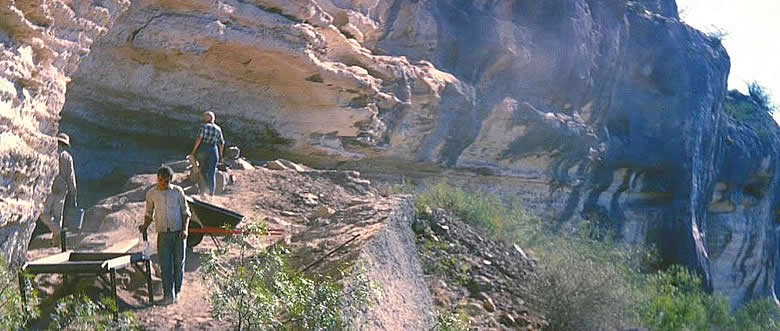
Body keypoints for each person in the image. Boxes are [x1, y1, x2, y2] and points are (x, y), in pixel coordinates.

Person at [138, 166, 191, 305]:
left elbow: (186, 213)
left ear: (170, 180)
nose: (163, 183)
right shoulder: (152, 194)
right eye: (160, 180)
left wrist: (185, 230)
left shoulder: (177, 192)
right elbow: (149, 213)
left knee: (178, 264)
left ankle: (177, 292)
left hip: (178, 233)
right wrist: (145, 225)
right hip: (163, 234)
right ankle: (168, 295)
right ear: (157, 178)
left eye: (166, 181)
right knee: (165, 265)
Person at [39, 133, 77, 248]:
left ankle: (58, 233)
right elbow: (71, 177)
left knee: (43, 213)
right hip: (62, 191)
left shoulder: (50, 155)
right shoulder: (68, 157)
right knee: (57, 217)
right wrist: (73, 194)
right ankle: (58, 241)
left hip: (50, 189)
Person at [188, 111, 225, 195]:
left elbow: (199, 139)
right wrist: (220, 155)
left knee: (203, 170)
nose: (203, 118)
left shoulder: (203, 126)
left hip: (203, 149)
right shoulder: (218, 128)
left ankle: (203, 191)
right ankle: (211, 193)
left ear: (208, 118)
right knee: (212, 172)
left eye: (204, 117)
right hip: (214, 149)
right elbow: (221, 143)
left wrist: (193, 151)